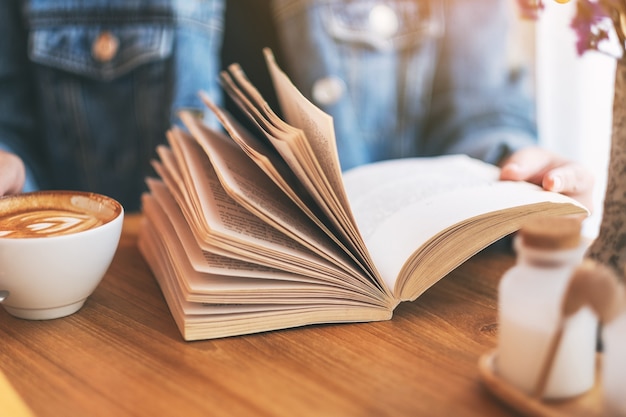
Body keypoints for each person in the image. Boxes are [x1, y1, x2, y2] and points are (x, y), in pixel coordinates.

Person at [0, 0, 594, 213]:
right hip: (122, 329)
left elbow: (480, 113)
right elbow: (16, 131)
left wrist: (515, 167)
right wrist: (12, 168)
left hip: (381, 323)